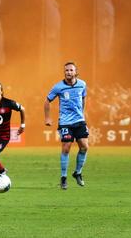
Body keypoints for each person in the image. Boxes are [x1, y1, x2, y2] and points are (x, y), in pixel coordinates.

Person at [44, 62, 89, 190]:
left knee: (85, 147)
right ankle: (63, 177)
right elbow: (47, 101)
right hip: (65, 122)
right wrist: (47, 117)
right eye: (66, 70)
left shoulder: (82, 84)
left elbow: (84, 98)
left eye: (71, 70)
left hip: (79, 120)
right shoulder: (58, 87)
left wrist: (82, 113)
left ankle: (77, 173)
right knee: (66, 147)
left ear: (76, 72)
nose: (68, 72)